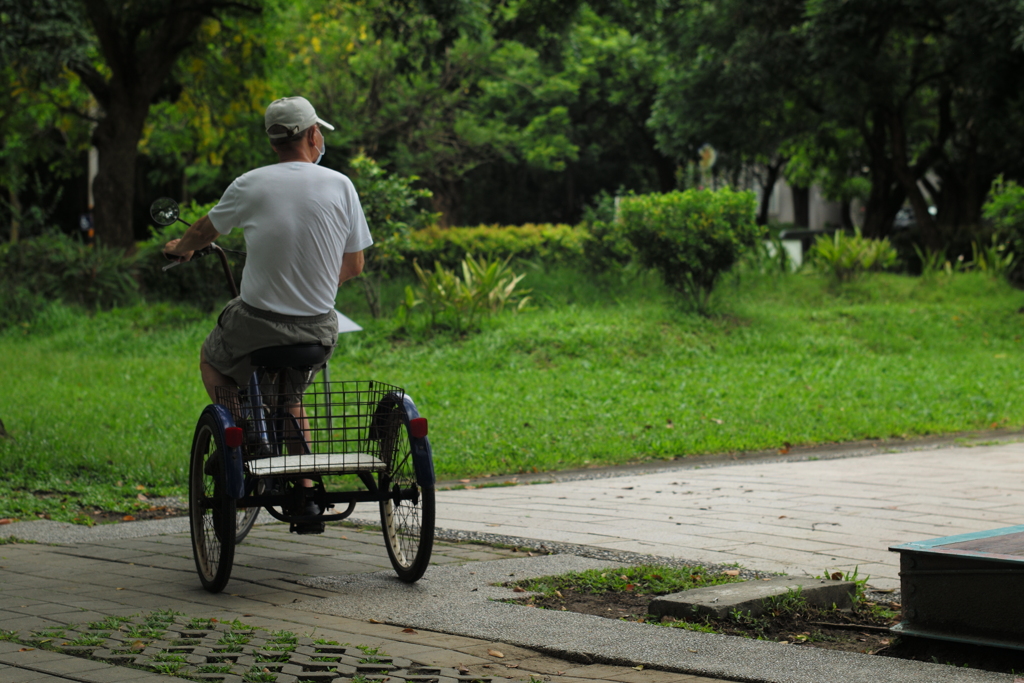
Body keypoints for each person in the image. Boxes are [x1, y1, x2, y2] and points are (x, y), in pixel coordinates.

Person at [163, 96, 372, 533]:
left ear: (274, 140)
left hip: (255, 323)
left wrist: (180, 248)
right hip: (317, 327)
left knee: (213, 359)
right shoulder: (340, 185)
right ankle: (306, 492)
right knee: (292, 398)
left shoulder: (250, 184)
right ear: (313, 135)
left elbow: (205, 228)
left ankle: (242, 433)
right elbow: (353, 266)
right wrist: (310, 285)